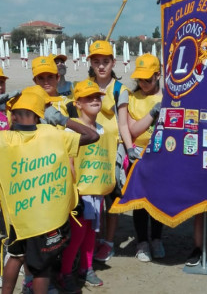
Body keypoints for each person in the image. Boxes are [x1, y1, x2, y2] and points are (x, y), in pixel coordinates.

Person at [0, 86, 99, 294]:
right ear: (39, 116)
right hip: (44, 219)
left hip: (18, 217)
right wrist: (65, 120)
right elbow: (92, 135)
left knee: (16, 256)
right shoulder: (53, 135)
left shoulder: (5, 140)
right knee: (42, 269)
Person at [57, 79, 117, 293]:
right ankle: (65, 272)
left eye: (97, 97)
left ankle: (86, 267)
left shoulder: (105, 129)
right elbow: (70, 163)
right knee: (77, 235)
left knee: (92, 233)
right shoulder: (72, 129)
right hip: (80, 194)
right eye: (88, 97)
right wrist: (75, 192)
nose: (94, 100)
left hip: (97, 191)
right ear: (78, 103)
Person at [85, 40, 136, 262]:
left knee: (112, 197)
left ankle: (108, 241)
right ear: (91, 63)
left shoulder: (120, 89)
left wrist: (130, 148)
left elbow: (123, 124)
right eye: (97, 62)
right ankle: (92, 238)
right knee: (93, 196)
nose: (102, 66)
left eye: (105, 61)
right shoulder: (86, 86)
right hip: (90, 148)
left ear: (113, 62)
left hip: (113, 148)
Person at [127, 53, 165, 262]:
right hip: (140, 156)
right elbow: (133, 130)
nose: (142, 83)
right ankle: (142, 241)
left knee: (158, 199)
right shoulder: (134, 99)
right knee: (140, 202)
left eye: (147, 79)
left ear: (158, 75)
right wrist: (152, 113)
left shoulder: (168, 97)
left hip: (162, 156)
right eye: (139, 79)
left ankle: (157, 238)